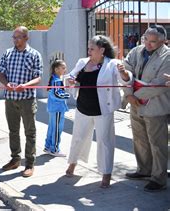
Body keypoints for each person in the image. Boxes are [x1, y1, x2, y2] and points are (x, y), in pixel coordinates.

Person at [65, 35, 132, 189]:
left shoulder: (113, 64)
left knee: (105, 141)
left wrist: (123, 73)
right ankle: (73, 163)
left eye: (92, 49)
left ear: (102, 50)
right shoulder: (82, 62)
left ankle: (106, 173)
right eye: (88, 48)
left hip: (103, 109)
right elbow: (71, 76)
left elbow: (126, 81)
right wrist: (70, 80)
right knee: (78, 137)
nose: (89, 51)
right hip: (83, 107)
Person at [122, 25, 169, 192]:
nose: (148, 44)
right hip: (135, 104)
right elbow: (125, 71)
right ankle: (144, 170)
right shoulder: (136, 51)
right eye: (145, 40)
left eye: (153, 42)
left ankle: (159, 178)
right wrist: (128, 94)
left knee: (157, 144)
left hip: (155, 107)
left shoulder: (167, 56)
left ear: (163, 41)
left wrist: (136, 95)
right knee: (140, 140)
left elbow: (160, 84)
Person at [0, 26, 43, 177]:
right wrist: (6, 84)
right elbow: (1, 74)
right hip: (10, 99)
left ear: (26, 38)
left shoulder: (34, 55)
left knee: (30, 132)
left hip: (27, 99)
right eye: (14, 37)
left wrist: (25, 85)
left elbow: (38, 77)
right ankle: (15, 159)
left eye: (18, 37)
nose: (15, 40)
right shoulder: (7, 53)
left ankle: (29, 164)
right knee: (13, 131)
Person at [44, 59, 70, 157]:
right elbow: (56, 94)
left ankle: (48, 147)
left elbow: (55, 93)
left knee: (52, 128)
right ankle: (54, 149)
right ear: (56, 69)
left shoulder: (55, 79)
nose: (65, 69)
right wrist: (67, 95)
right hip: (57, 109)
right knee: (57, 129)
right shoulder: (57, 81)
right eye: (63, 68)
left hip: (54, 108)